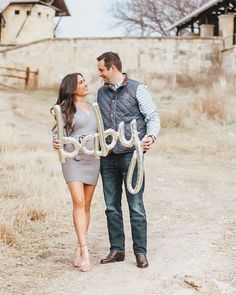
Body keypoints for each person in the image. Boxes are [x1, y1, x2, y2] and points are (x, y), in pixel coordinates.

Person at [96, 52, 160, 268]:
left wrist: (150, 136)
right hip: (108, 157)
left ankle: (140, 253)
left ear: (112, 68)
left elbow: (152, 117)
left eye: (102, 70)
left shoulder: (137, 89)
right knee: (111, 206)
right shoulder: (100, 93)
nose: (100, 74)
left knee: (136, 206)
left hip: (132, 156)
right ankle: (117, 250)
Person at [51, 73, 100, 272]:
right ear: (72, 88)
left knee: (86, 205)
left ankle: (79, 245)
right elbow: (56, 133)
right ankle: (85, 250)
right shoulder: (63, 108)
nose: (86, 83)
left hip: (92, 158)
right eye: (81, 82)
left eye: (85, 80)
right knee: (78, 201)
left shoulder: (94, 107)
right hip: (73, 159)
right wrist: (54, 141)